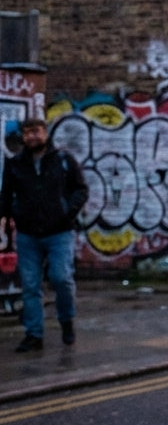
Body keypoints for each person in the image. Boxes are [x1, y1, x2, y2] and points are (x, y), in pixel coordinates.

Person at [1, 118, 89, 352]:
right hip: (28, 234)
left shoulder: (63, 160)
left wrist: (68, 212)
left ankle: (66, 321)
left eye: (36, 132)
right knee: (30, 285)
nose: (32, 136)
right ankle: (34, 335)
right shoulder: (15, 164)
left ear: (45, 134)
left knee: (61, 278)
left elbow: (81, 189)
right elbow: (7, 194)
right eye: (27, 133)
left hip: (59, 232)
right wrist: (6, 215)